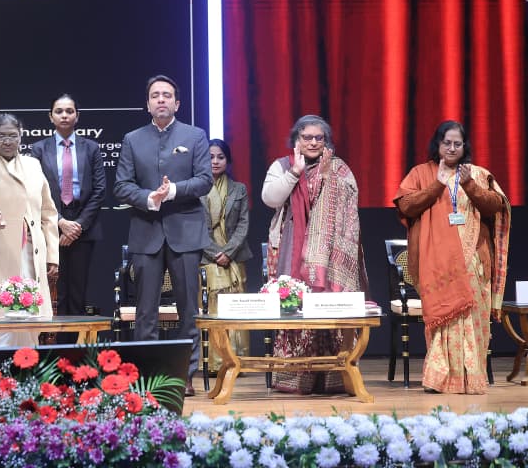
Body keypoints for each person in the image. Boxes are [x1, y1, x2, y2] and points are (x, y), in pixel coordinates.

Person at [393, 120, 510, 394]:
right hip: (437, 262)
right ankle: (440, 378)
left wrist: (469, 184)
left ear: (464, 146)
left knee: (473, 319)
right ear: (438, 144)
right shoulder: (421, 173)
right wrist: (437, 184)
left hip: (474, 260)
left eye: (458, 143)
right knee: (444, 318)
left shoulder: (477, 174)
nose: (452, 148)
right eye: (447, 143)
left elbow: (495, 206)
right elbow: (406, 206)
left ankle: (472, 379)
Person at [113, 75, 211, 394]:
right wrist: (148, 198)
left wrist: (173, 192)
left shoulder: (195, 136)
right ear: (148, 104)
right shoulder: (132, 139)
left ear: (177, 103)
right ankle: (149, 374)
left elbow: (205, 180)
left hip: (186, 232)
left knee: (188, 310)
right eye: (155, 95)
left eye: (167, 95)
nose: (161, 100)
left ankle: (184, 375)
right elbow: (121, 185)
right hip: (146, 231)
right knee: (145, 312)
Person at [261, 114, 367, 394]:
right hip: (290, 247)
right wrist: (294, 173)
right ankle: (296, 376)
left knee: (328, 311)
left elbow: (350, 207)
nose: (313, 142)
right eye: (306, 137)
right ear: (296, 140)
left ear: (326, 141)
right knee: (294, 307)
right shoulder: (282, 165)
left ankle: (333, 375)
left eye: (319, 138)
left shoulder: (338, 169)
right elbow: (270, 198)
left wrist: (327, 177)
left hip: (329, 254)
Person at [0, 113, 60, 348]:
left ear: (21, 136)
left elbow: (48, 212)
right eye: (1, 136)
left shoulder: (33, 165)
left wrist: (52, 255)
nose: (7, 141)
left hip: (29, 251)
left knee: (30, 317)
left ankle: (28, 365)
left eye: (12, 136)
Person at [29, 94, 106, 342]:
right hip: (51, 225)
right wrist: (60, 222)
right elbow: (34, 190)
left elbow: (99, 191)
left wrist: (77, 226)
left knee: (77, 294)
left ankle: (76, 355)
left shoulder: (91, 148)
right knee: (55, 293)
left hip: (83, 227)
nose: (64, 115)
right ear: (50, 116)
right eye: (59, 111)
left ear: (77, 116)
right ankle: (54, 352)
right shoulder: (38, 149)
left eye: (69, 111)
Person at [199, 138, 251, 371]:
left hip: (234, 257)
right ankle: (215, 362)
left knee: (236, 305)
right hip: (205, 257)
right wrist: (214, 253)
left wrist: (227, 253)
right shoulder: (195, 189)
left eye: (220, 157)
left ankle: (237, 360)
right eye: (210, 157)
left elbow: (243, 224)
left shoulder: (239, 189)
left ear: (228, 161)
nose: (215, 161)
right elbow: (194, 227)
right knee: (213, 305)